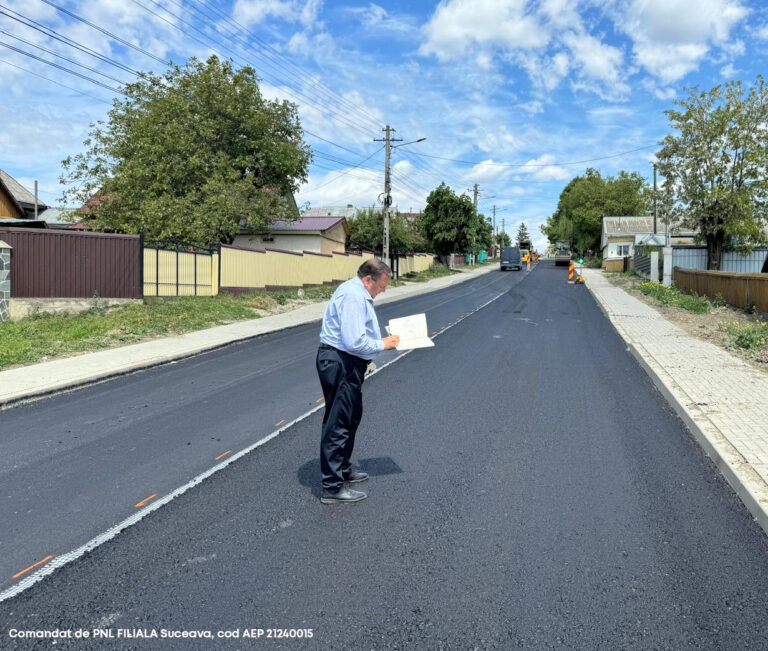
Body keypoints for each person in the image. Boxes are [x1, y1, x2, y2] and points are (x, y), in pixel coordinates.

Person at [316, 259, 400, 504]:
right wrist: (383, 344)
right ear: (368, 280)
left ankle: (342, 469)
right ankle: (332, 487)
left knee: (351, 417)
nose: (382, 291)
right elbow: (354, 341)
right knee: (339, 423)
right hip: (340, 362)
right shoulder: (353, 297)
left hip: (347, 363)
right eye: (381, 286)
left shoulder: (357, 293)